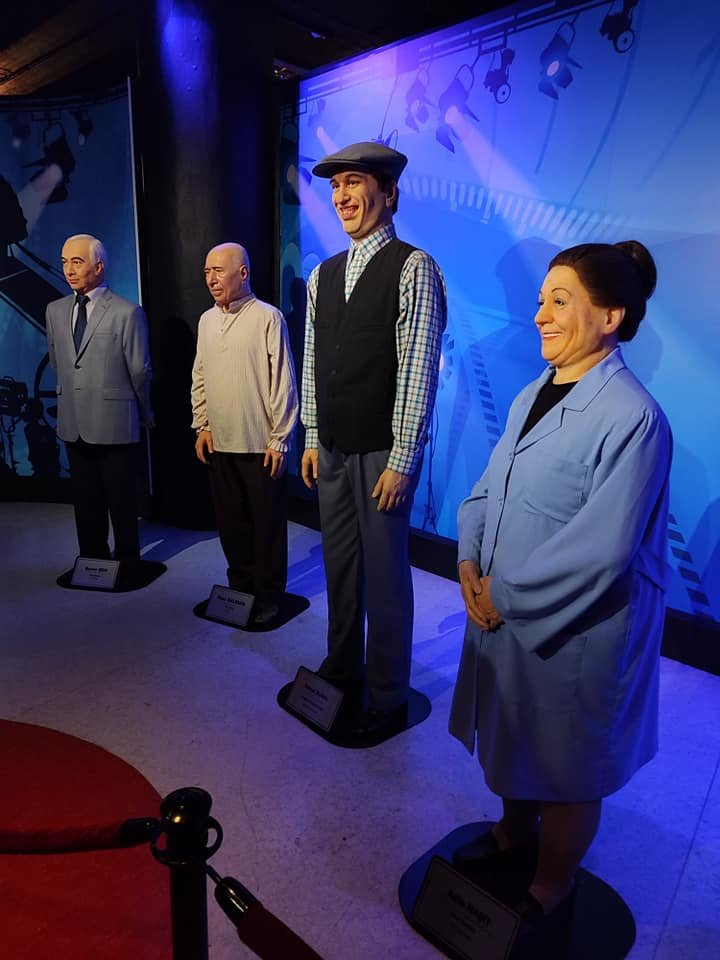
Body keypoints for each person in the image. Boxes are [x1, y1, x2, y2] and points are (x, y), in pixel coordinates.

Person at [449, 240, 672, 928]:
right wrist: (468, 560)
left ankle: (551, 886)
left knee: (569, 765)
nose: (539, 314)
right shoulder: (534, 393)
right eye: (542, 299)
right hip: (506, 608)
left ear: (610, 316)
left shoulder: (634, 417)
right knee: (517, 730)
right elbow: (487, 488)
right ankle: (513, 833)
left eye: (560, 300)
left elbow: (601, 550)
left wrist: (503, 595)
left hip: (577, 631)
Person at [301, 142, 446, 740]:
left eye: (354, 183)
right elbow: (313, 359)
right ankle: (341, 666)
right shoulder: (323, 273)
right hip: (333, 445)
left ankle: (387, 693)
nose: (342, 195)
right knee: (340, 566)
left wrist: (404, 457)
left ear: (388, 193)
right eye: (336, 186)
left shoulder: (414, 267)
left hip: (384, 450)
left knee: (385, 575)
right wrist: (312, 434)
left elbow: (417, 368)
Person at [191, 243, 298, 625]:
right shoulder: (206, 320)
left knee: (266, 526)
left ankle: (269, 596)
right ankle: (239, 589)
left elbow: (284, 381)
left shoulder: (268, 318)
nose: (211, 279)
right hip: (221, 442)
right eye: (207, 272)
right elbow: (200, 374)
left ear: (243, 273)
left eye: (219, 270)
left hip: (260, 444)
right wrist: (202, 424)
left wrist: (280, 438)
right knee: (232, 523)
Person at [46, 234, 152, 565]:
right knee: (84, 497)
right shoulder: (55, 311)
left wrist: (145, 411)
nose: (69, 270)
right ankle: (92, 558)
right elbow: (58, 360)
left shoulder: (127, 312)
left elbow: (140, 369)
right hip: (73, 421)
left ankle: (127, 561)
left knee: (121, 498)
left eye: (77, 262)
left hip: (114, 421)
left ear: (99, 266)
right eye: (65, 262)